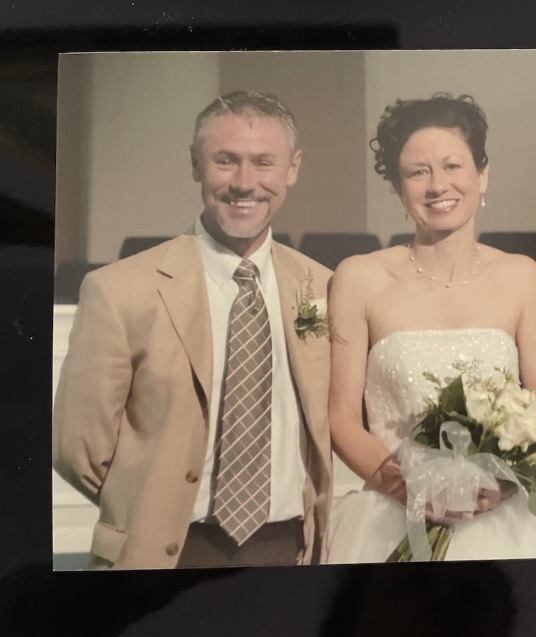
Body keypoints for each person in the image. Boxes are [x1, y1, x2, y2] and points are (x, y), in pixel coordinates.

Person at [52, 91, 333, 569]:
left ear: (293, 168)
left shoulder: (324, 287)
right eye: (225, 161)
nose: (245, 183)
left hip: (291, 550)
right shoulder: (119, 290)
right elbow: (76, 449)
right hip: (164, 553)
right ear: (195, 164)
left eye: (264, 162)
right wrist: (149, 508)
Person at [326, 94, 536, 562]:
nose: (437, 186)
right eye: (417, 172)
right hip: (390, 514)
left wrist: (507, 484)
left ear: (482, 174)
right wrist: (410, 491)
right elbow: (341, 419)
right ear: (398, 188)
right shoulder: (358, 278)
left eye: (452, 166)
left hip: (506, 524)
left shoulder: (522, 276)